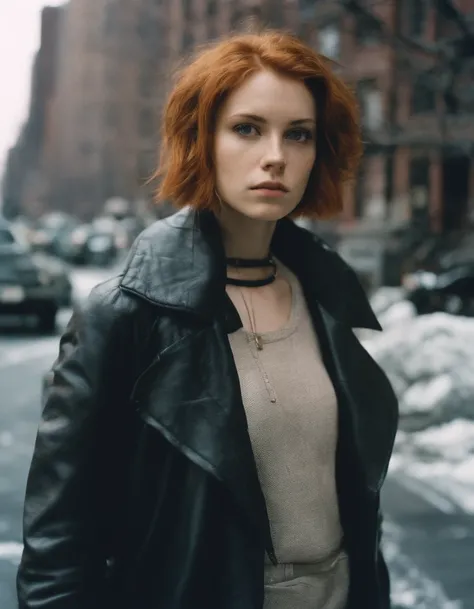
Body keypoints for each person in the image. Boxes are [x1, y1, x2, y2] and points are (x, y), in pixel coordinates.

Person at [17, 30, 398, 609]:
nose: (276, 155)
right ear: (203, 140)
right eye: (247, 128)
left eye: (298, 134)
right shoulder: (124, 317)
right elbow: (57, 545)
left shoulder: (325, 296)